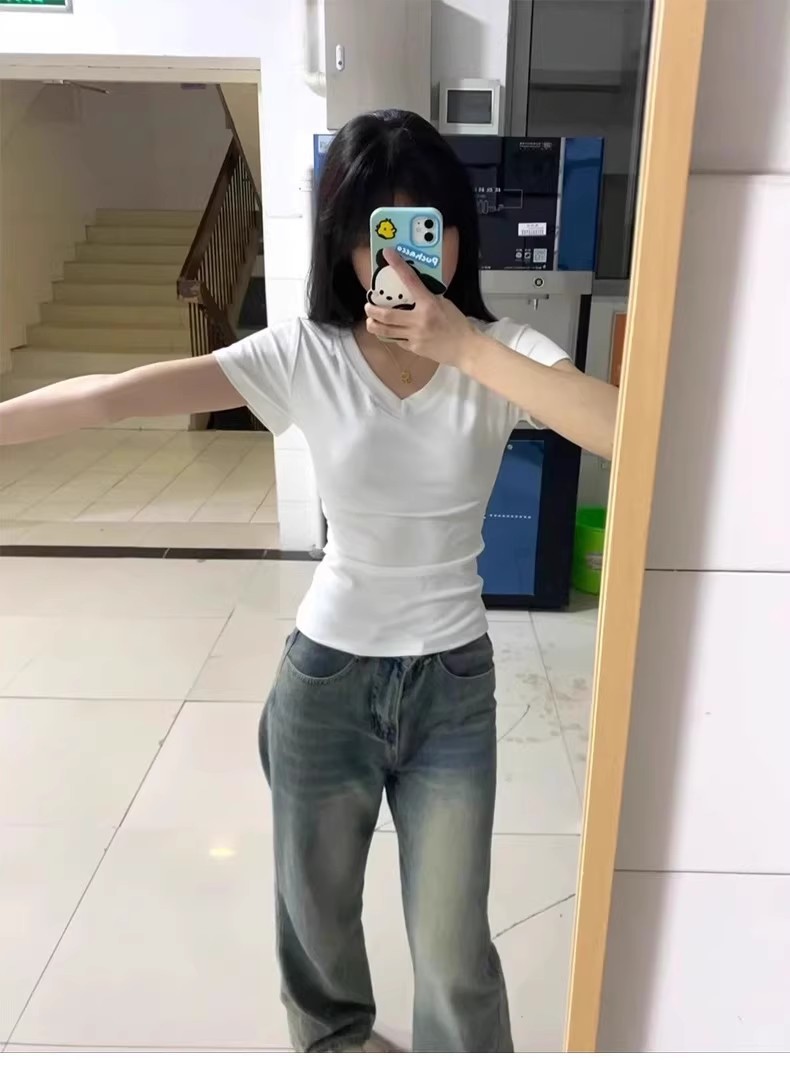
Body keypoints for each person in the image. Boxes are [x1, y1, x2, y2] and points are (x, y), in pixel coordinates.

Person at [0, 110, 617, 1053]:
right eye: (379, 233)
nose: (402, 258)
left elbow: (624, 432)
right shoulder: (303, 355)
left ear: (459, 234)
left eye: (427, 229)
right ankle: (334, 1052)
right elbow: (119, 393)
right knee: (317, 921)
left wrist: (461, 346)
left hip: (453, 687)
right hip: (327, 678)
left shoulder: (503, 354)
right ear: (344, 245)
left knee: (454, 951)